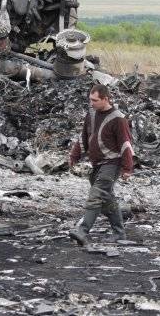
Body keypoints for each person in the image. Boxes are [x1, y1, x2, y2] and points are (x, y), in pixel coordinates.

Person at [68, 84, 134, 246]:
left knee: (96, 195)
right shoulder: (91, 113)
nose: (92, 103)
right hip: (96, 164)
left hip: (112, 163)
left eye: (95, 100)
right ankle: (119, 233)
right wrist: (74, 156)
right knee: (107, 199)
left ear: (106, 99)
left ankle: (82, 231)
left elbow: (126, 144)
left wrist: (127, 168)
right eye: (90, 100)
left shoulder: (118, 119)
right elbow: (84, 137)